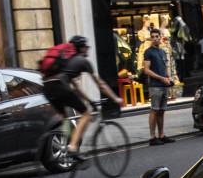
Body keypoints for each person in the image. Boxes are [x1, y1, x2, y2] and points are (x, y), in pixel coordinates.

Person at [42, 35, 123, 164]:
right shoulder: (82, 61)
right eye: (86, 47)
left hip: (47, 87)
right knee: (86, 113)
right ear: (81, 48)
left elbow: (76, 87)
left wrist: (89, 99)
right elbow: (101, 84)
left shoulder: (65, 61)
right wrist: (115, 99)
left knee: (66, 115)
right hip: (60, 86)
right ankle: (73, 147)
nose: (87, 49)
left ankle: (65, 142)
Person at [143, 28, 174, 145]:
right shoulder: (148, 52)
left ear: (160, 37)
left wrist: (169, 77)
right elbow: (146, 70)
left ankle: (161, 135)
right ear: (151, 38)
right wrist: (162, 78)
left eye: (157, 36)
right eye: (153, 37)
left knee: (161, 111)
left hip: (164, 85)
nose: (155, 38)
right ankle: (152, 137)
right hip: (155, 85)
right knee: (154, 110)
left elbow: (166, 66)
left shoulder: (162, 52)